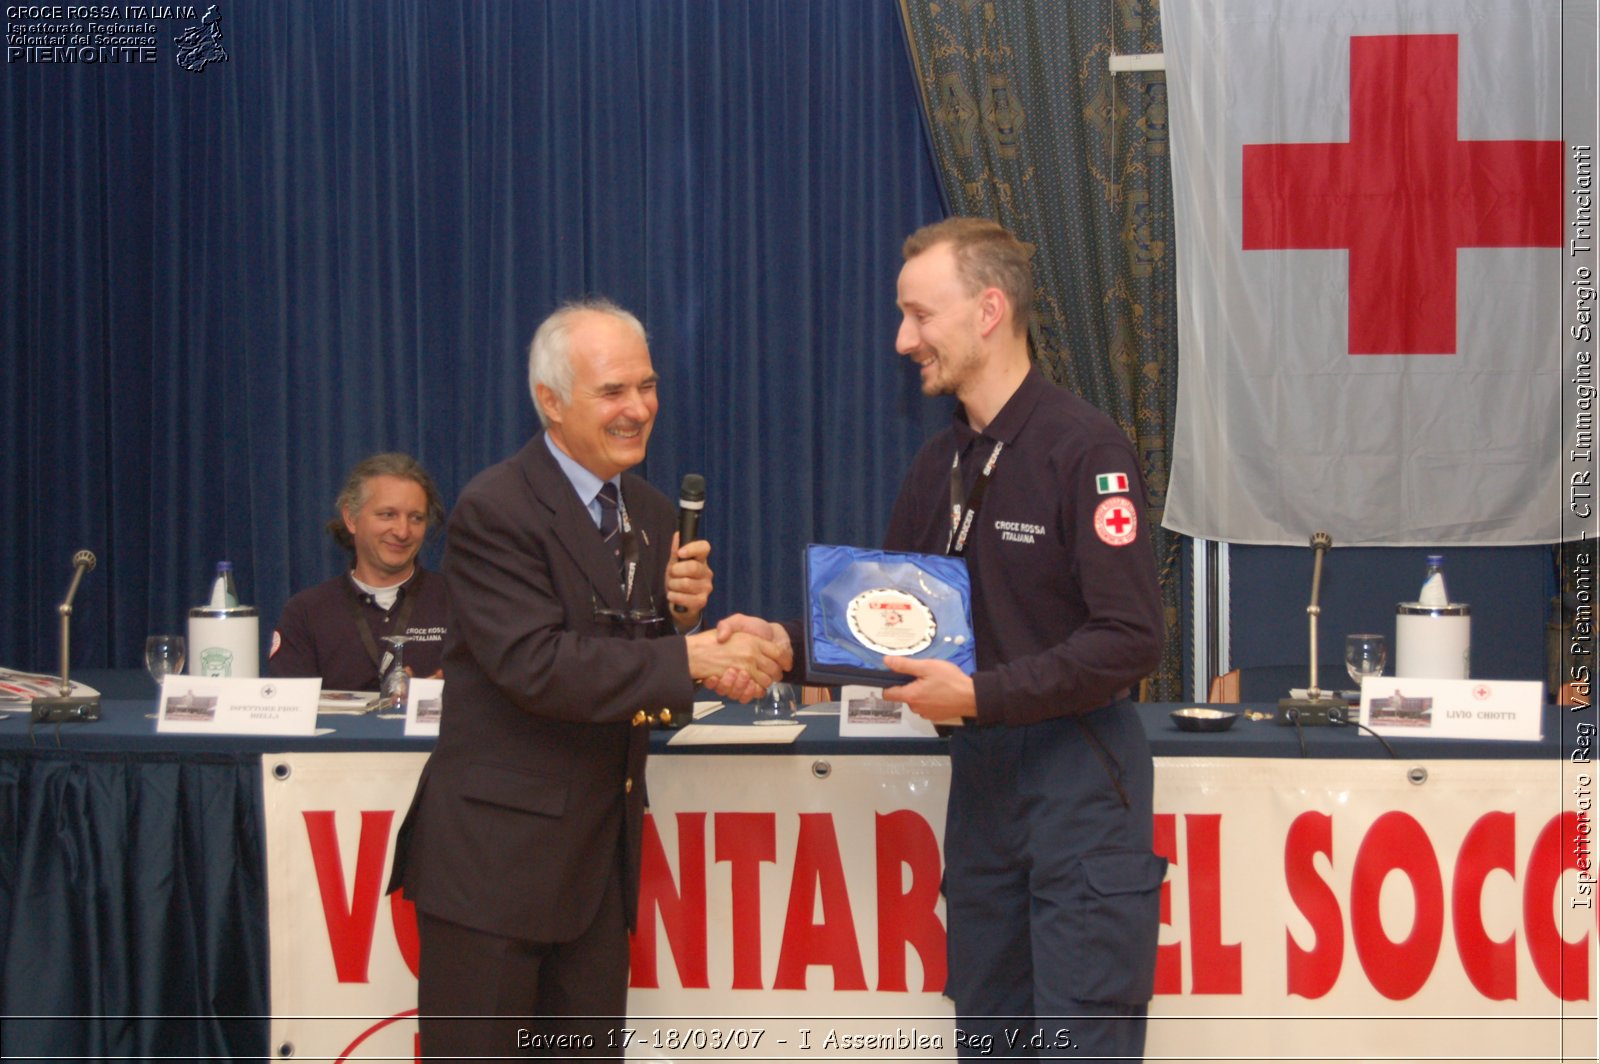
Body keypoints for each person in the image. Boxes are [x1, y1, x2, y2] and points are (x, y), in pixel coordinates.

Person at [718, 218, 1168, 1061]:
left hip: (1080, 783)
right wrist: (782, 642)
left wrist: (982, 696)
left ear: (989, 310)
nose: (903, 339)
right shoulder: (939, 465)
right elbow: (884, 627)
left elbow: (1131, 638)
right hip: (985, 794)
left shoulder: (1085, 450)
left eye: (919, 316)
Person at [387, 298, 788, 1061]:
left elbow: (625, 669)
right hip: (495, 872)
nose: (638, 408)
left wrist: (700, 646)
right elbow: (536, 667)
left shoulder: (649, 509)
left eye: (647, 385)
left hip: (597, 871)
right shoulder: (494, 507)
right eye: (613, 391)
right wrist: (688, 658)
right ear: (551, 400)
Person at [268, 452, 448, 691]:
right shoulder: (306, 613)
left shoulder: (459, 602)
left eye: (416, 518)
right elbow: (287, 709)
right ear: (351, 518)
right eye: (388, 515)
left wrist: (447, 695)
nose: (403, 531)